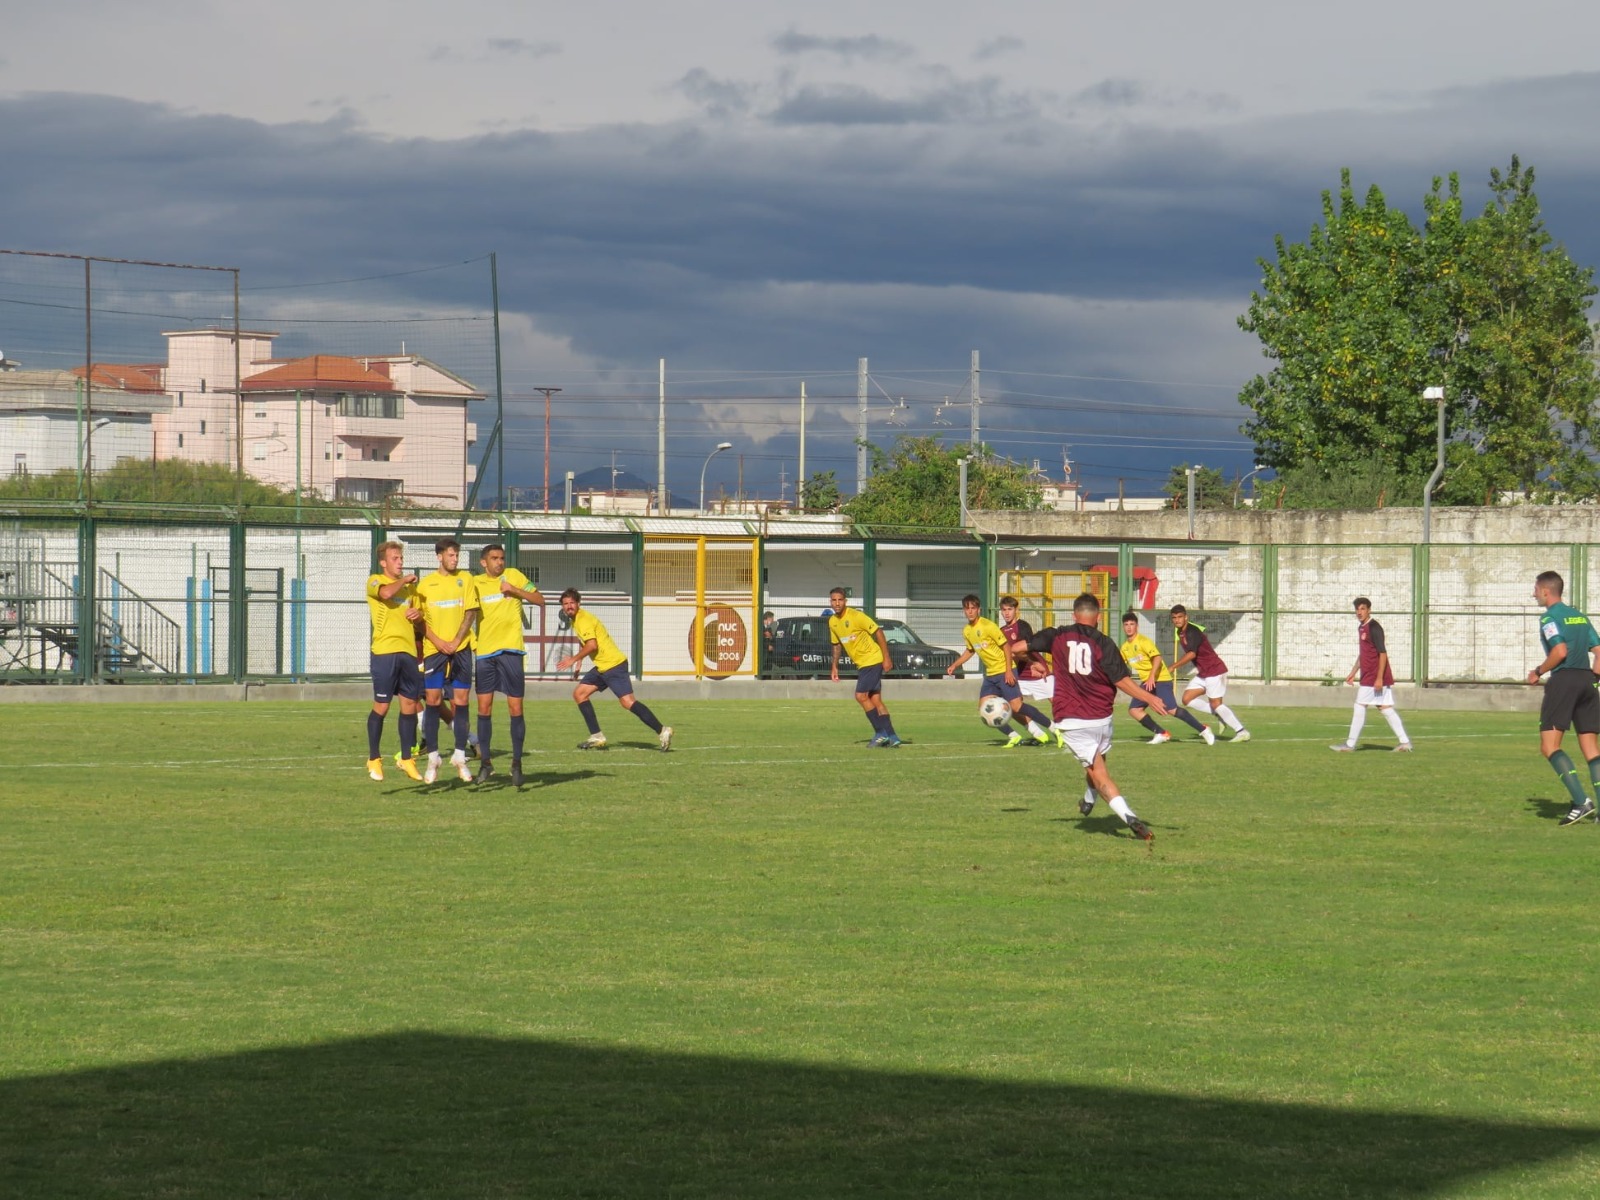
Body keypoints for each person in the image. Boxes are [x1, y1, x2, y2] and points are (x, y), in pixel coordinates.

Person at [1026, 593, 1170, 842]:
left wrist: (1034, 662)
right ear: (1099, 618)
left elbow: (1016, 648)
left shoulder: (1058, 635)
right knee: (1095, 763)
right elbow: (1122, 681)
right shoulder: (1104, 643)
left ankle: (1130, 818)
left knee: (1099, 773)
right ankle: (1089, 799)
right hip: (1102, 719)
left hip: (1072, 719)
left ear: (1074, 614)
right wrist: (1149, 698)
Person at [556, 588, 672, 751]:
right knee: (579, 694)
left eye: (571, 603)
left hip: (613, 665)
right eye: (565, 604)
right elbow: (586, 642)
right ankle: (597, 736)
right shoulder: (575, 620)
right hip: (602, 667)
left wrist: (573, 659)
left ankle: (662, 730)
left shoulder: (584, 619)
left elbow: (592, 645)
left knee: (627, 702)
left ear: (578, 603)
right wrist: (580, 661)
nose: (569, 606)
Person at [1528, 570, 1600, 825]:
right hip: (1588, 682)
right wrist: (1595, 677)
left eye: (1536, 589)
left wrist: (1538, 671)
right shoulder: (1580, 617)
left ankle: (1582, 802)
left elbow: (1559, 651)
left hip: (1564, 681)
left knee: (1549, 745)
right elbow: (1599, 651)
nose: (1533, 593)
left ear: (1546, 591)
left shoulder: (1549, 617)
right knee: (1591, 749)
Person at [470, 543, 544, 785]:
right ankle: (486, 764)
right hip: (485, 655)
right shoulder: (475, 584)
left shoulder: (514, 576)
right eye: (494, 558)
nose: (499, 562)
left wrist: (515, 590)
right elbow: (467, 615)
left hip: (511, 652)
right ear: (484, 562)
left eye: (501, 558)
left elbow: (540, 600)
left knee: (516, 708)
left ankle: (516, 764)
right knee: (484, 708)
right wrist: (472, 643)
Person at [947, 594, 1051, 747]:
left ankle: (1052, 728)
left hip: (1007, 671)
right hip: (991, 674)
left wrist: (1010, 670)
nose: (970, 612)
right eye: (967, 609)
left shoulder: (988, 626)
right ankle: (1014, 736)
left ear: (979, 610)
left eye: (973, 608)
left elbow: (1007, 647)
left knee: (1017, 707)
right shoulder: (967, 631)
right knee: (984, 708)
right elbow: (970, 650)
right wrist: (955, 665)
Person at [415, 536, 480, 783]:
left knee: (460, 701)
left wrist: (455, 641)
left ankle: (460, 757)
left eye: (456, 555)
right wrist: (439, 642)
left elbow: (471, 612)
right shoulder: (426, 585)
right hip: (434, 651)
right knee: (432, 701)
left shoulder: (466, 579)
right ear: (439, 556)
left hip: (461, 649)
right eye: (450, 555)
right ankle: (433, 758)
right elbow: (419, 620)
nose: (454, 559)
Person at [364, 540, 424, 782]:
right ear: (383, 562)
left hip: (408, 652)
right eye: (395, 559)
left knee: (409, 705)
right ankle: (374, 758)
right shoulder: (375, 580)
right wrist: (404, 580)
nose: (400, 562)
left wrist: (418, 615)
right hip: (385, 652)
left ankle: (406, 758)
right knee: (383, 706)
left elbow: (420, 619)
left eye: (401, 558)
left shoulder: (410, 591)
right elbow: (387, 593)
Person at [1330, 597, 1413, 753]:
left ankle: (1349, 745)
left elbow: (1382, 654)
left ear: (1369, 610)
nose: (1359, 612)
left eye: (1362, 609)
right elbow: (1365, 653)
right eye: (1357, 609)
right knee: (1385, 708)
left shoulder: (1374, 628)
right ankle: (1405, 743)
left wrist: (1380, 678)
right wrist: (1353, 672)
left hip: (1374, 677)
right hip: (1369, 675)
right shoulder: (1361, 628)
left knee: (1359, 706)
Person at [828, 586, 902, 747]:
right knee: (875, 700)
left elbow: (879, 632)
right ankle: (893, 736)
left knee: (860, 696)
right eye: (834, 600)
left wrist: (886, 658)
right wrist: (834, 666)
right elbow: (836, 645)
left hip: (872, 660)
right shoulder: (833, 622)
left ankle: (880, 733)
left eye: (840, 600)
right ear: (830, 602)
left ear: (845, 601)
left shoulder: (856, 616)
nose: (837, 603)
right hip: (863, 664)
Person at [1120, 612, 1205, 744]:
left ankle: (1203, 729)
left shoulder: (1143, 641)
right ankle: (1161, 733)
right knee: (1134, 710)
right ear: (1123, 627)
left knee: (1171, 710)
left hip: (1161, 678)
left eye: (1132, 624)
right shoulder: (1125, 648)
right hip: (1148, 682)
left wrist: (1151, 676)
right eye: (1126, 624)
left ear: (1137, 626)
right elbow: (1119, 664)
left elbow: (1158, 658)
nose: (1129, 627)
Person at [1169, 604, 1249, 744]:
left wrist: (1173, 667)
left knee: (1216, 703)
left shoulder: (1192, 631)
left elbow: (1192, 653)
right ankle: (1219, 715)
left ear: (1186, 617)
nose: (1177, 620)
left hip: (1214, 671)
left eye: (1180, 617)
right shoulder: (1180, 632)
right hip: (1204, 673)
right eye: (1174, 618)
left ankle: (1241, 731)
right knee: (1187, 699)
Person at [998, 595, 1055, 724]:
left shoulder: (1022, 626)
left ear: (1016, 609)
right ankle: (1037, 734)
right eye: (1004, 610)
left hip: (1036, 669)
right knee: (1011, 705)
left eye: (1009, 609)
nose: (1006, 613)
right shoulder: (1000, 631)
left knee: (1056, 702)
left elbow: (1026, 650)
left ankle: (1066, 732)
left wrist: (1034, 663)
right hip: (1017, 674)